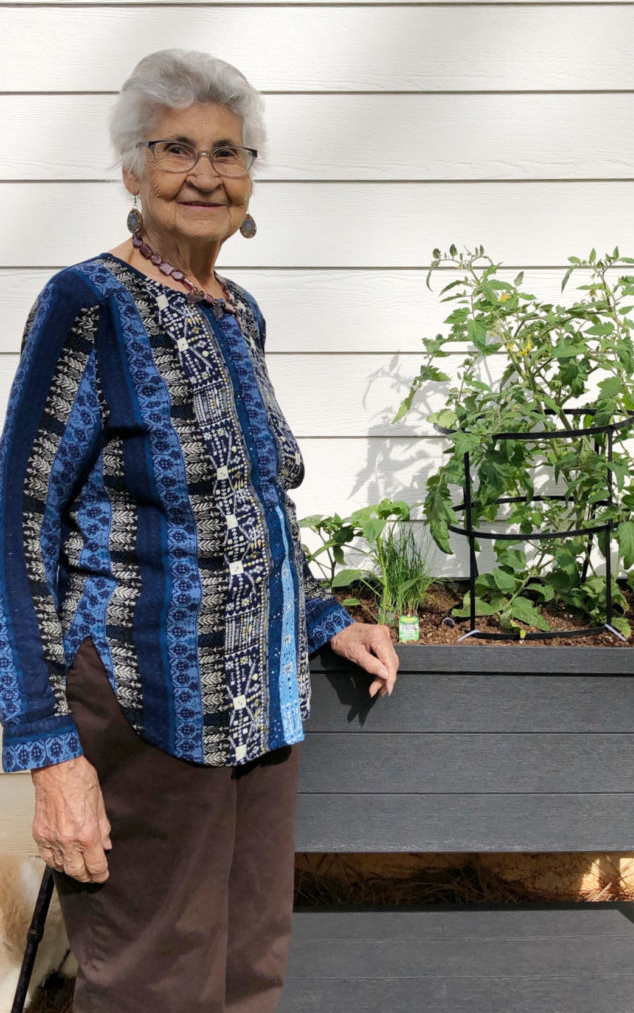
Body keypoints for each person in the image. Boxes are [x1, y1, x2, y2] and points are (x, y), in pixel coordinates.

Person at [0, 49, 398, 1013]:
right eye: (175, 147)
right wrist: (47, 748)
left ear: (251, 181)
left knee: (251, 966)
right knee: (153, 980)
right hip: (144, 705)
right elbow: (17, 524)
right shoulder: (86, 304)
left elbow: (255, 500)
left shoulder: (239, 314)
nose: (205, 173)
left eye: (229, 152)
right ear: (132, 170)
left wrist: (322, 620)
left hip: (262, 708)